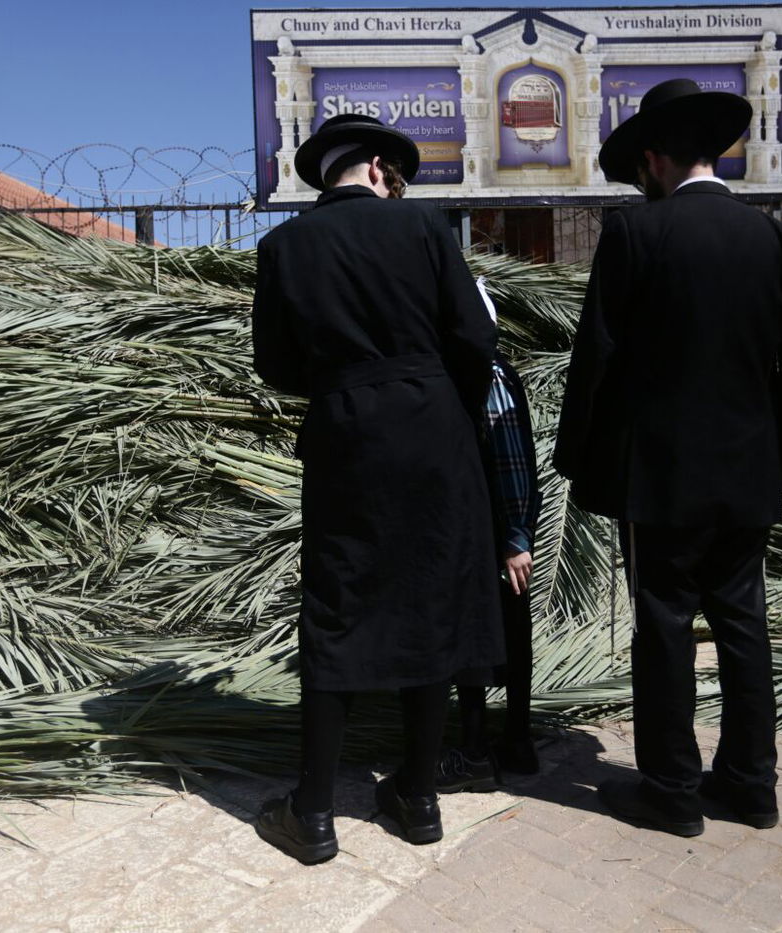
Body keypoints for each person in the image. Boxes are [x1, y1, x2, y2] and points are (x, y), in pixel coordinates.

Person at [554, 78, 782, 837]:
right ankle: (750, 784)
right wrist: (781, 458)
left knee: (664, 625)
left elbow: (595, 357)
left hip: (660, 478)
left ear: (653, 159)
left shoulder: (635, 235)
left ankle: (671, 789)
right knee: (744, 623)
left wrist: (579, 459)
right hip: (748, 473)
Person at [251, 113, 504, 864]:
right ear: (369, 164)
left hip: (345, 439)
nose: (395, 184)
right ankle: (418, 798)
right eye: (391, 173)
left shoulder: (282, 246)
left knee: (337, 606)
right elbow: (476, 338)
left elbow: (275, 364)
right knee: (431, 595)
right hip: (435, 434)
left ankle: (315, 811)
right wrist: (434, 395)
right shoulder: (425, 231)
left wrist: (342, 384)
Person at [438, 323, 543, 793]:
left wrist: (517, 538)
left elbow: (511, 458)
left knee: (497, 634)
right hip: (485, 530)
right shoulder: (482, 371)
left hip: (492, 534)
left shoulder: (489, 375)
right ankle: (505, 741)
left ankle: (488, 746)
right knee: (498, 633)